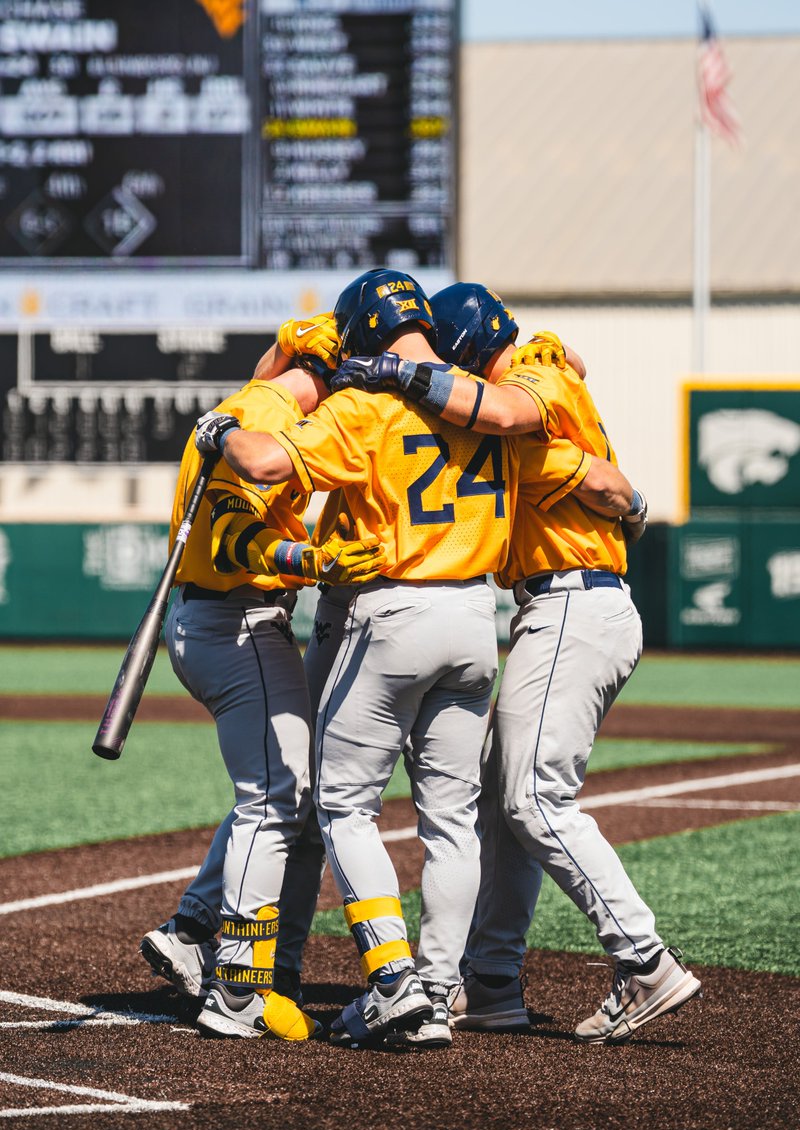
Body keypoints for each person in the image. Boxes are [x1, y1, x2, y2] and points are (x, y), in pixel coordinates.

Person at [196, 268, 639, 1050]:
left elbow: (263, 462)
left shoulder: (365, 407)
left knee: (342, 806)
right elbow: (580, 440)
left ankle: (392, 982)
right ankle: (438, 990)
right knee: (453, 822)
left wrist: (218, 432)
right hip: (475, 620)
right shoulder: (491, 408)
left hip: (392, 611)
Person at [332, 282, 702, 1044]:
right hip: (564, 604)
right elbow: (608, 479)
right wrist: (630, 505)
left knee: (534, 798)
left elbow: (585, 469)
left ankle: (644, 960)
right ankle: (492, 981)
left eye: (454, 361)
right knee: (505, 801)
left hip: (573, 603)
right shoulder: (548, 375)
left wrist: (400, 373)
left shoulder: (533, 375)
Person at [143, 363, 385, 1041]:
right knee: (276, 798)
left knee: (281, 789)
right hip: (236, 622)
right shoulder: (266, 417)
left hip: (223, 619)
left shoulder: (256, 407)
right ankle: (236, 986)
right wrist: (308, 561)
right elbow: (231, 534)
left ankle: (193, 927)